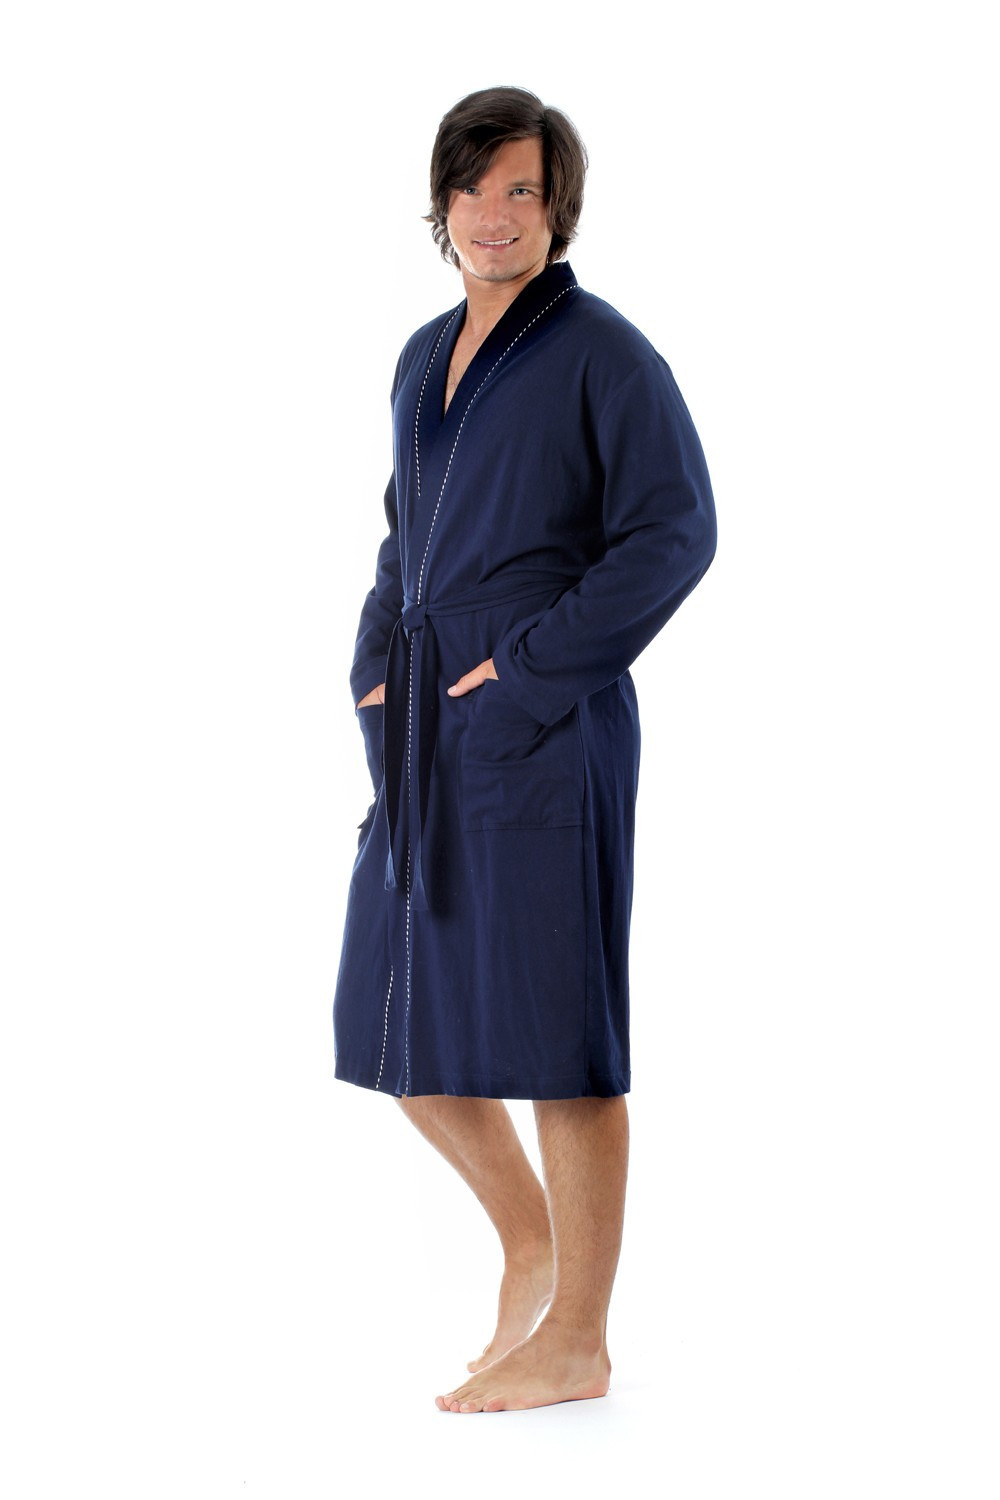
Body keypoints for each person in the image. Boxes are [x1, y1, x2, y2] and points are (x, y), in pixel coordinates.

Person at [332, 85, 716, 1413]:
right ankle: (531, 1247)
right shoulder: (420, 359)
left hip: (546, 725)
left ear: (560, 210)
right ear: (439, 202)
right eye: (474, 187)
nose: (494, 215)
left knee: (560, 1033)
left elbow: (675, 533)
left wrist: (532, 671)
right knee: (394, 1019)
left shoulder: (604, 355)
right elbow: (405, 534)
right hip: (426, 726)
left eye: (524, 191)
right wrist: (374, 665)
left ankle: (580, 1339)